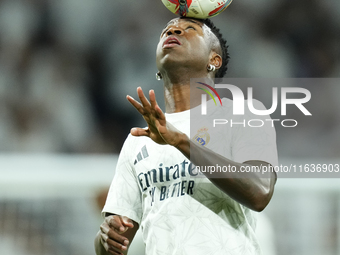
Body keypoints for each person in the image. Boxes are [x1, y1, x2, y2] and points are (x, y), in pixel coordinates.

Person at [95, 17, 278, 255]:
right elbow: (113, 246)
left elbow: (260, 192)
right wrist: (106, 237)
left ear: (214, 60)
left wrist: (181, 141)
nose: (174, 30)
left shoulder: (243, 114)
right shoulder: (139, 140)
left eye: (189, 29)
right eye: (166, 30)